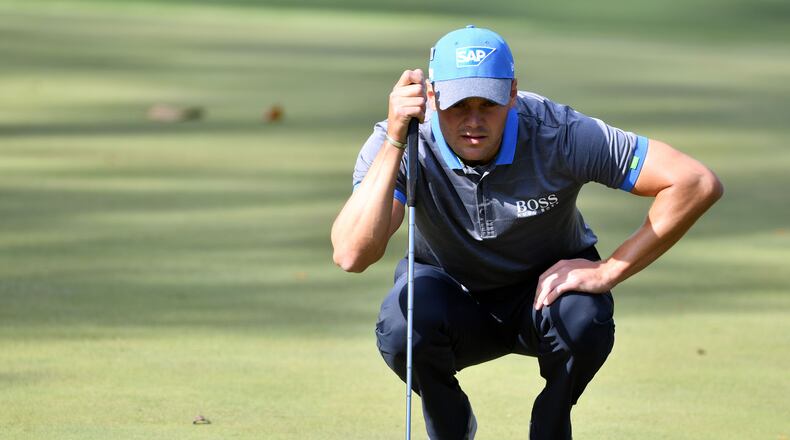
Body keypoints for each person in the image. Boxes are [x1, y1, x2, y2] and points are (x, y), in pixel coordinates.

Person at [330, 25, 723, 439]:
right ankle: (451, 425)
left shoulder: (559, 132)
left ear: (513, 93)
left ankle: (549, 426)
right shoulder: (403, 139)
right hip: (448, 294)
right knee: (403, 326)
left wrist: (609, 270)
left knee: (583, 320)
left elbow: (694, 182)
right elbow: (352, 255)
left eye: (490, 103)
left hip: (544, 293)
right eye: (460, 105)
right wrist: (395, 139)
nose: (474, 121)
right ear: (432, 98)